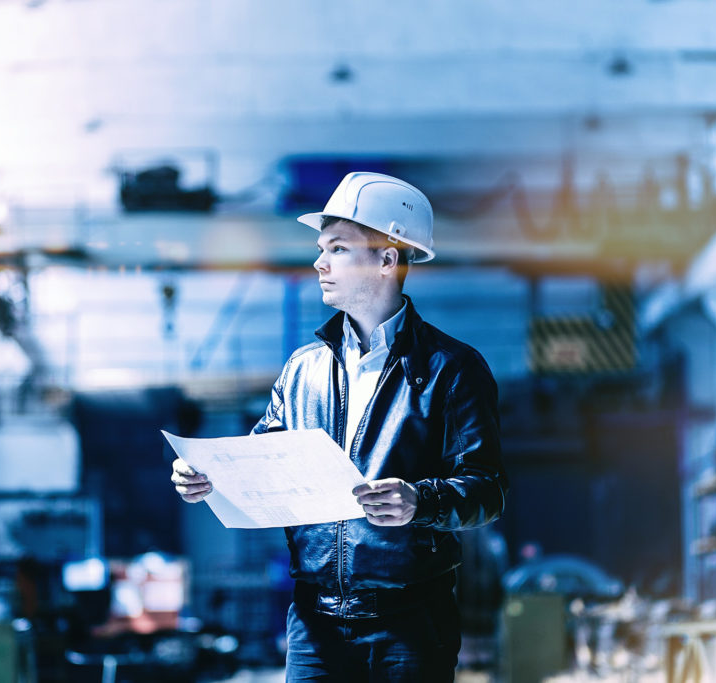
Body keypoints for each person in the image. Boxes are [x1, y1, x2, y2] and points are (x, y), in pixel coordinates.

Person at [170, 172, 508, 681]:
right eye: (322, 248)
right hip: (313, 622)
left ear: (387, 260)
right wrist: (208, 478)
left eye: (338, 248)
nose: (319, 263)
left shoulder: (451, 369)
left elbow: (488, 489)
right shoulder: (302, 369)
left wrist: (421, 501)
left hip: (411, 624)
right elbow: (264, 466)